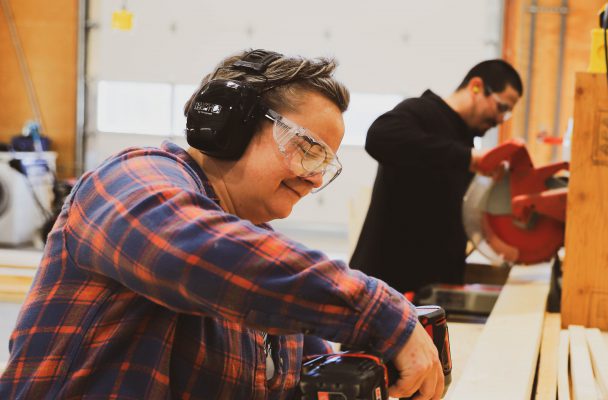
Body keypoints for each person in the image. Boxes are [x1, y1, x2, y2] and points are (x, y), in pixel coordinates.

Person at [0, 50, 443, 399]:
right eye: (307, 148)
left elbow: (307, 372)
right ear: (226, 124)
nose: (313, 177)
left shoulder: (267, 272)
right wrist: (380, 313)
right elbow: (192, 253)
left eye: (325, 163)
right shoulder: (131, 181)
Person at [351, 60, 523, 294]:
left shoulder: (462, 139)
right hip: (387, 287)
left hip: (430, 291)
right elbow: (379, 137)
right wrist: (470, 159)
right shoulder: (421, 112)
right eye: (502, 107)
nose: (502, 119)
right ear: (476, 87)